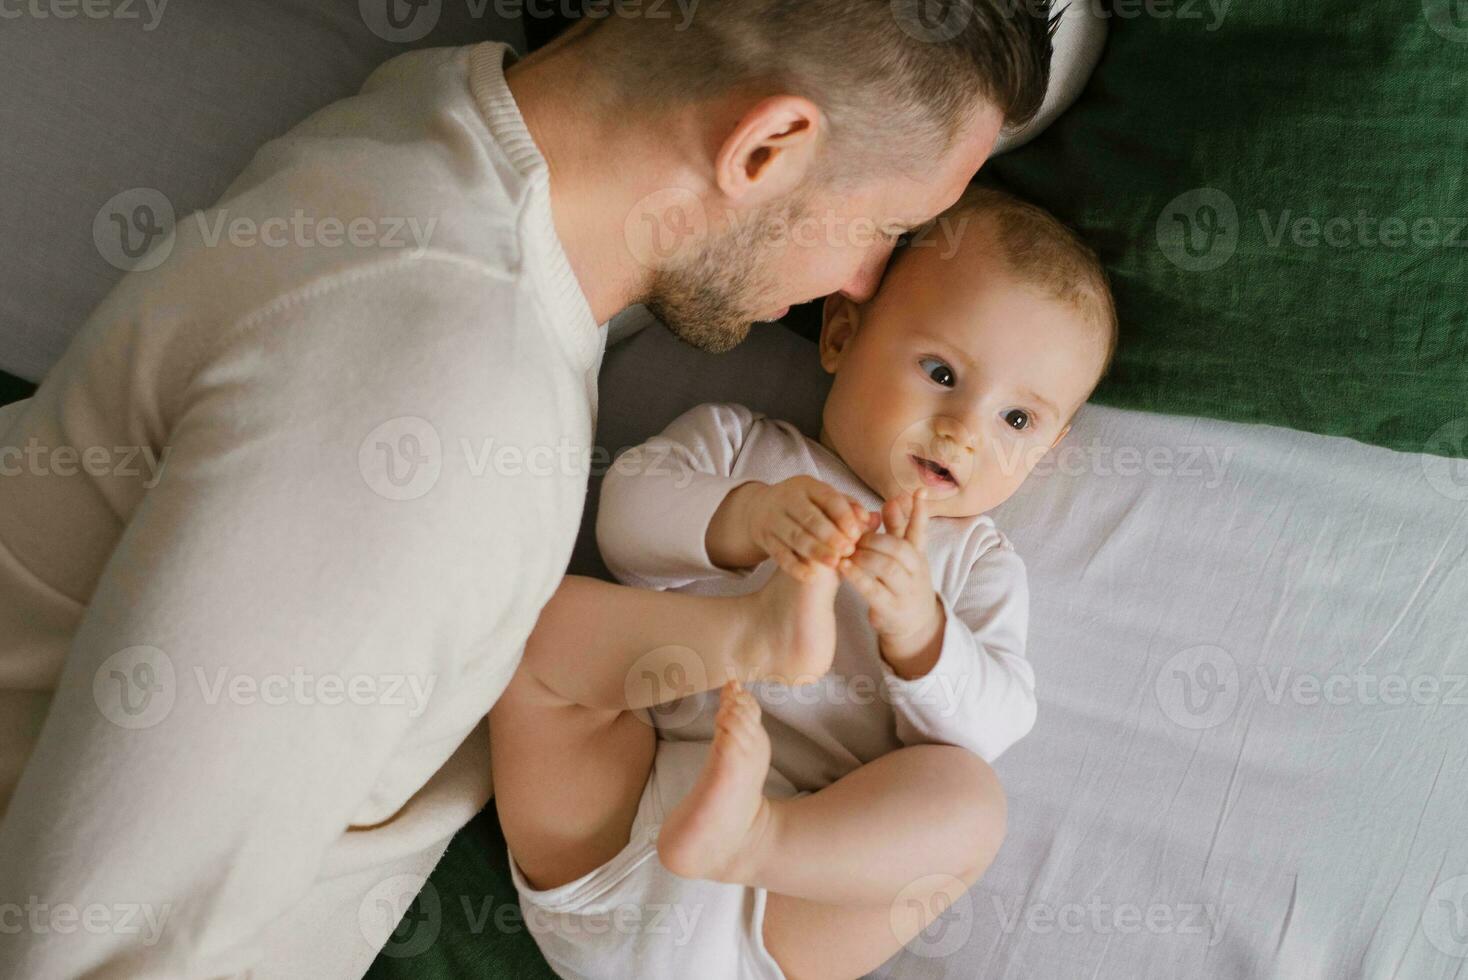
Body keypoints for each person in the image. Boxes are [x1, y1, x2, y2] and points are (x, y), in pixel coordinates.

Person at [0, 4, 1052, 976]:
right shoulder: (434, 424)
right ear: (765, 148)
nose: (865, 284)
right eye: (883, 227)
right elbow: (92, 939)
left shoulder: (450, 109)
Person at [490, 186, 1116, 979]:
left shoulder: (973, 565)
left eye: (1016, 421)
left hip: (776, 908)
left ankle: (751, 834)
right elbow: (624, 519)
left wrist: (922, 635)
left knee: (969, 802)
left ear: (1048, 451)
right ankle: (750, 633)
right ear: (843, 336)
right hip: (616, 826)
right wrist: (747, 519)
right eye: (940, 371)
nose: (963, 429)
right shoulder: (740, 445)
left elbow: (995, 722)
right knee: (541, 633)